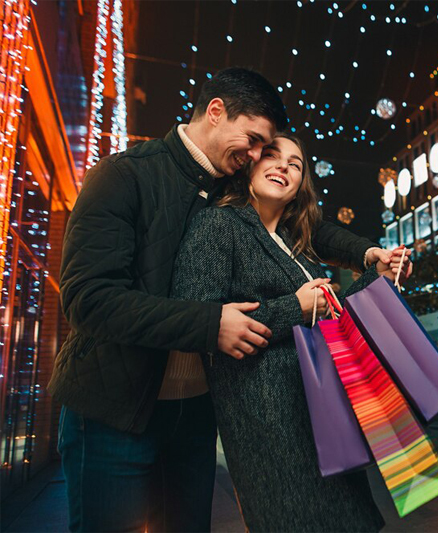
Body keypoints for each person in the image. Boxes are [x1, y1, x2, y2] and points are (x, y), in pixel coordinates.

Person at [49, 67, 396, 532]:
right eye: (254, 141)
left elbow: (304, 223)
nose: (257, 156)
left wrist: (365, 252)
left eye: (268, 151)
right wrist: (210, 324)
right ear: (216, 112)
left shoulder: (229, 185)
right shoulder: (123, 175)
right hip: (115, 405)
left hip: (193, 412)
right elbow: (88, 300)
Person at [170, 134, 411, 532]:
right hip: (271, 428)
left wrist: (377, 277)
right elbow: (198, 320)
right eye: (271, 155)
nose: (283, 166)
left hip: (325, 411)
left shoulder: (294, 245)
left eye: (295, 164)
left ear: (300, 187)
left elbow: (329, 318)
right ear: (248, 165)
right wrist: (293, 308)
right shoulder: (218, 224)